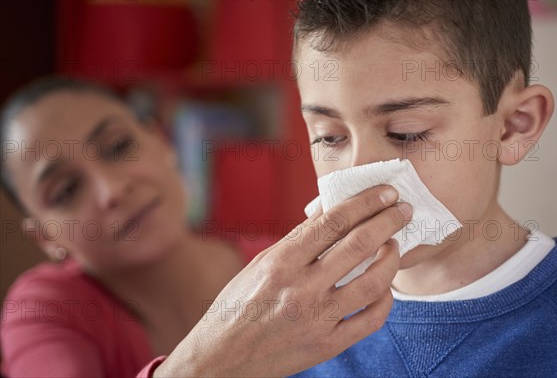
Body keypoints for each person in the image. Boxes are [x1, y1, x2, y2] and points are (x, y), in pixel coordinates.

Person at [0, 77, 414, 377]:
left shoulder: (297, 265)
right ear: (45, 235)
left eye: (118, 147)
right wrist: (218, 360)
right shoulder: (44, 308)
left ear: (161, 141)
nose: (112, 189)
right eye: (67, 189)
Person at [290, 0, 557, 377]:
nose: (357, 173)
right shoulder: (299, 331)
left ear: (513, 126)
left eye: (406, 132)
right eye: (329, 137)